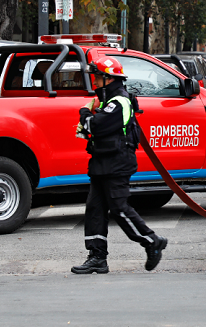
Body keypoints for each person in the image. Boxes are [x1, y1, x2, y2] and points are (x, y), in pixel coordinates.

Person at [72, 56, 167, 274]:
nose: (94, 82)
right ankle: (97, 257)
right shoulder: (107, 101)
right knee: (95, 210)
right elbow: (90, 130)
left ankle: (152, 241)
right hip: (102, 163)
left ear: (107, 78)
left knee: (120, 209)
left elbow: (94, 126)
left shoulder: (118, 102)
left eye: (97, 77)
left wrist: (85, 113)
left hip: (116, 164)